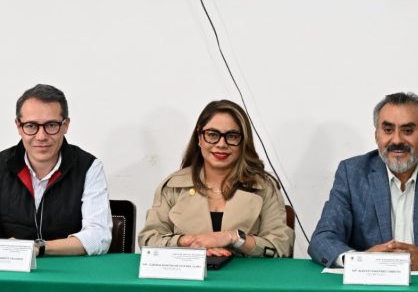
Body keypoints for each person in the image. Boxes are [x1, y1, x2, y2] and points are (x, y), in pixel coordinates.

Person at [308, 92, 418, 270]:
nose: (397, 140)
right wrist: (361, 261)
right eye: (388, 130)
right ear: (377, 135)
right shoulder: (352, 174)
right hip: (370, 288)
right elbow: (323, 238)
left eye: (407, 131)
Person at [138, 99, 294, 257]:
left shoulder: (265, 188)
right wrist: (188, 241)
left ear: (243, 142)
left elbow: (280, 247)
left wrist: (232, 237)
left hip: (246, 279)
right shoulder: (173, 186)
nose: (221, 144)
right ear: (199, 138)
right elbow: (149, 240)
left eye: (232, 136)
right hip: (186, 279)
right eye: (212, 134)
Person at [0, 84, 112, 256]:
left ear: (65, 125)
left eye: (51, 125)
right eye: (31, 126)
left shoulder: (89, 167)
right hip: (9, 272)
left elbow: (99, 237)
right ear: (18, 126)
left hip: (69, 274)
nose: (41, 136)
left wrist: (37, 248)